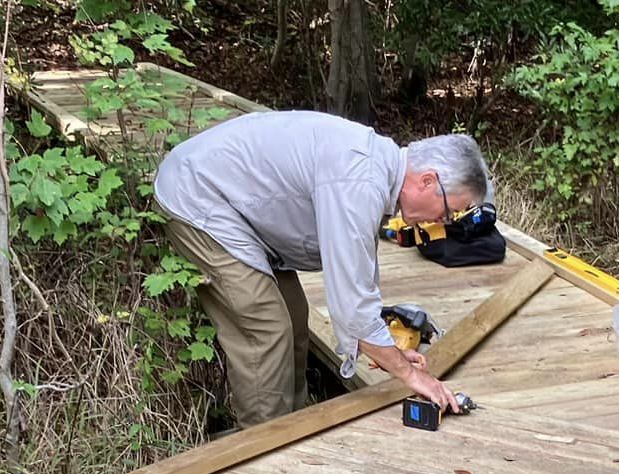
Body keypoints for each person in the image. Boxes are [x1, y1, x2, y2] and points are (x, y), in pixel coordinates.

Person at [152, 112, 492, 426]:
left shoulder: (375, 172)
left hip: (241, 209)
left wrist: (388, 349)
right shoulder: (359, 182)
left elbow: (359, 282)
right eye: (448, 211)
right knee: (266, 326)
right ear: (428, 181)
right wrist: (412, 375)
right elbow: (353, 310)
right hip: (196, 196)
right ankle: (261, 446)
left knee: (294, 314)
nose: (442, 222)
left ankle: (291, 427)